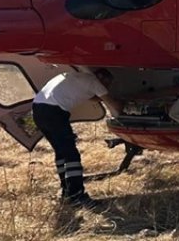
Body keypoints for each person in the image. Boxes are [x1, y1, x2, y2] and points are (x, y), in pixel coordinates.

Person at [31, 68, 122, 207]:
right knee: (72, 155)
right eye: (107, 84)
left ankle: (66, 191)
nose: (107, 87)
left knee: (61, 152)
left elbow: (93, 97)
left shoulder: (75, 77)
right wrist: (124, 106)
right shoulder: (94, 81)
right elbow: (112, 103)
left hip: (38, 109)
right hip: (54, 112)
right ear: (102, 77)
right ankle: (77, 195)